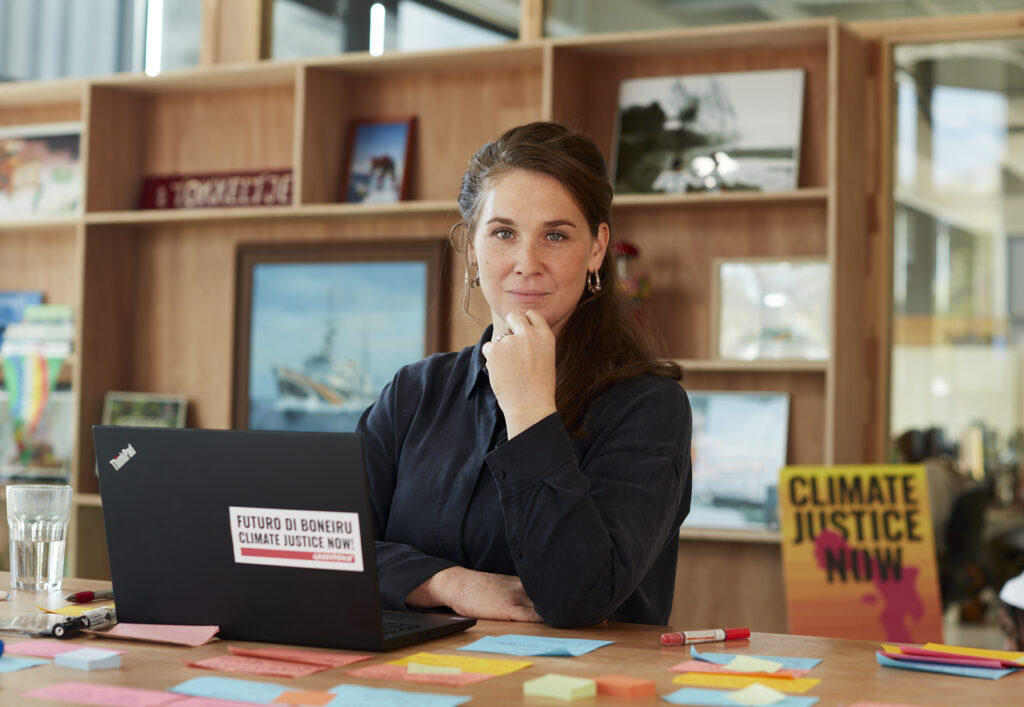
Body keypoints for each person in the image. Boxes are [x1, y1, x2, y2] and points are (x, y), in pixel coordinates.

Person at [355, 121, 692, 628]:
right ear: (472, 245)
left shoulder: (648, 407)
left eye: (555, 235)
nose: (526, 263)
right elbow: (332, 551)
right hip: (417, 686)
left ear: (597, 248)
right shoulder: (413, 392)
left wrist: (531, 410)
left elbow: (579, 597)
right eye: (504, 233)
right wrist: (449, 583)